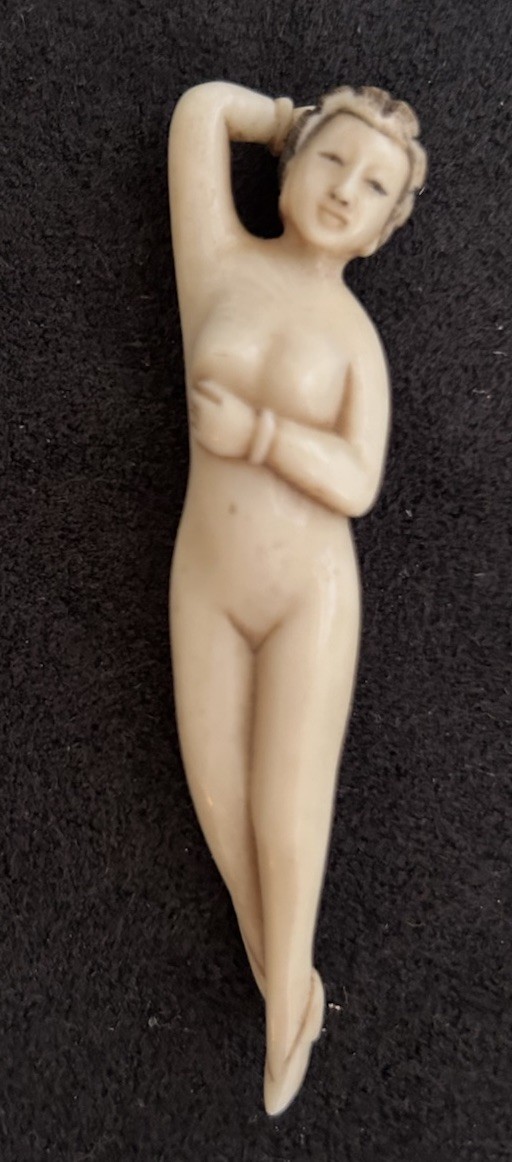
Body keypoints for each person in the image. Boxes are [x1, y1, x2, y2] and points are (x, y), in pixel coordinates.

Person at [167, 81, 427, 1116]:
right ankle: (292, 987)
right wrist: (288, 118)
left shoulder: (355, 337)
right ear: (292, 164)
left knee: (286, 813)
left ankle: (284, 1027)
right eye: (330, 159)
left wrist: (262, 437)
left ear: (383, 228)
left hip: (309, 596)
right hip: (208, 578)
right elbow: (200, 115)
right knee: (216, 801)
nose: (343, 189)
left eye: (373, 187)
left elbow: (358, 482)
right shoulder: (216, 266)